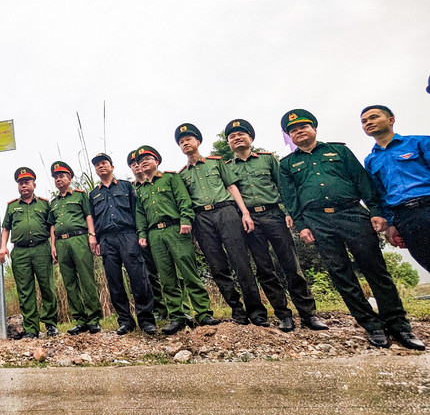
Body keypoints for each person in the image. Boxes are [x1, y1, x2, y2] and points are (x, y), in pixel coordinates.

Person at [278, 109, 423, 350]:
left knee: (375, 270)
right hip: (318, 222)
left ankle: (399, 325)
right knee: (341, 275)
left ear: (314, 128)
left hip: (352, 214)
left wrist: (376, 211)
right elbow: (291, 198)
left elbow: (362, 181)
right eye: (293, 130)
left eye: (303, 126)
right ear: (290, 137)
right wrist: (301, 226)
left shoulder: (339, 151)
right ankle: (372, 326)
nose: (299, 131)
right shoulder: (287, 165)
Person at [224, 119, 327, 332]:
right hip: (249, 221)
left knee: (291, 264)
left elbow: (283, 186)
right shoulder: (226, 167)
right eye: (232, 136)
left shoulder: (267, 159)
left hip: (273, 215)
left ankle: (308, 314)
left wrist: (289, 212)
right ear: (229, 144)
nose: (237, 138)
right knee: (265, 269)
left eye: (241, 134)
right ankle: (283, 314)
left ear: (250, 138)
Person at [175, 123, 268, 326]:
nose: (185, 144)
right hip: (202, 219)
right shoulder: (181, 175)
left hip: (226, 211)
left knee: (240, 260)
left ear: (197, 142)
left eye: (188, 139)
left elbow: (232, 187)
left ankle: (256, 311)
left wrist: (244, 213)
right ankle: (237, 309)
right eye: (181, 142)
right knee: (217, 266)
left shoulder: (215, 163)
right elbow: (186, 204)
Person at [135, 146, 219, 334]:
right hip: (155, 234)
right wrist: (142, 234)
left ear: (157, 161)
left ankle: (203, 312)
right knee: (167, 278)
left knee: (188, 272)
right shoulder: (140, 189)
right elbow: (140, 214)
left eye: (148, 158)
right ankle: (178, 315)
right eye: (141, 161)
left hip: (176, 229)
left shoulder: (171, 178)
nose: (144, 162)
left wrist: (185, 220)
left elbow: (183, 200)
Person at [89, 153, 157, 336]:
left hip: (128, 235)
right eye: (97, 165)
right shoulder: (93, 194)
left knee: (138, 277)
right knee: (114, 281)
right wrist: (94, 238)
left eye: (104, 163)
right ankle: (125, 320)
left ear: (112, 166)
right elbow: (93, 219)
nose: (101, 166)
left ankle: (146, 320)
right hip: (106, 239)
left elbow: (137, 212)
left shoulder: (127, 187)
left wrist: (140, 235)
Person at [361, 104, 430, 272]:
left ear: (391, 120)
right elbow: (381, 194)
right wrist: (391, 225)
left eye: (374, 117)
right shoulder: (371, 160)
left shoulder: (419, 142)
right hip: (405, 218)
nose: (368, 122)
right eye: (364, 121)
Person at [0, 167, 58, 339]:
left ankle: (51, 324)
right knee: (25, 290)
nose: (24, 185)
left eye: (27, 182)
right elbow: (5, 228)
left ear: (34, 184)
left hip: (41, 248)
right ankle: (31, 327)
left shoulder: (45, 204)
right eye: (21, 183)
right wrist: (3, 247)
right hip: (21, 251)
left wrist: (53, 246)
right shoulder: (12, 206)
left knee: (47, 287)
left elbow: (51, 227)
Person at [128, 148, 187, 322]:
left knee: (176, 271)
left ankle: (183, 308)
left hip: (168, 230)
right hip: (144, 235)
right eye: (133, 164)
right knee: (152, 273)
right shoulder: (131, 189)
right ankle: (161, 309)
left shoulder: (164, 180)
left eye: (141, 162)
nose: (138, 166)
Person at [48, 161, 103, 334]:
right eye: (56, 177)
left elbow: (88, 215)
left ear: (69, 178)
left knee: (87, 279)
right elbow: (52, 225)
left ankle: (94, 319)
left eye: (62, 176)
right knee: (69, 282)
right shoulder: (54, 202)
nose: (58, 180)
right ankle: (80, 320)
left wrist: (92, 235)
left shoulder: (80, 196)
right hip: (62, 243)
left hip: (79, 239)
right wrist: (53, 246)